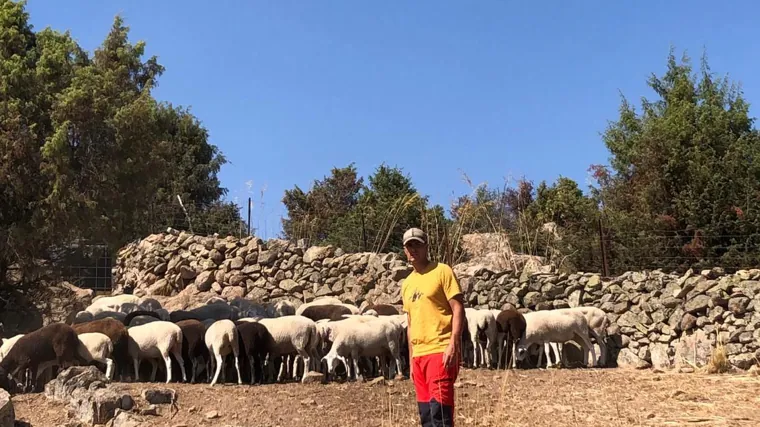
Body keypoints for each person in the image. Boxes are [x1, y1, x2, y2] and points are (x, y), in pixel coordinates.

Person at [401, 227, 465, 427]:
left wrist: (453, 344)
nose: (413, 250)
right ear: (404, 250)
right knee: (426, 416)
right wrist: (411, 360)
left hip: (440, 351)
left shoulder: (442, 271)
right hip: (419, 356)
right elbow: (411, 323)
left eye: (417, 245)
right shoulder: (407, 283)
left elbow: (458, 308)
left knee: (440, 414)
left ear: (426, 246)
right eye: (409, 246)